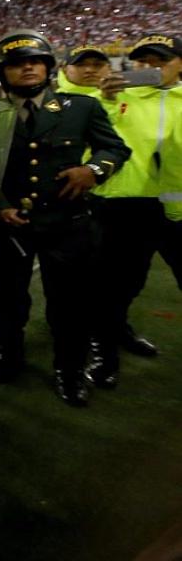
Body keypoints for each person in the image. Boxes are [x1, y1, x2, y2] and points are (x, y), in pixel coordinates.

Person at [0, 32, 129, 406]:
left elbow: (115, 148)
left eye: (35, 61)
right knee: (8, 299)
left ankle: (70, 369)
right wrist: (2, 203)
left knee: (70, 303)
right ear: (2, 73)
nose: (27, 67)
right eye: (16, 63)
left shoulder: (81, 108)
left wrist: (93, 170)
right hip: (10, 225)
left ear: (48, 68)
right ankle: (10, 354)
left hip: (67, 223)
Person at [87, 34, 182, 387]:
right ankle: (104, 350)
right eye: (143, 60)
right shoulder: (116, 97)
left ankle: (118, 330)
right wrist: (107, 99)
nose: (149, 68)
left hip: (175, 206)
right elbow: (95, 142)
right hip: (123, 205)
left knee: (136, 282)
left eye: (161, 60)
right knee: (114, 284)